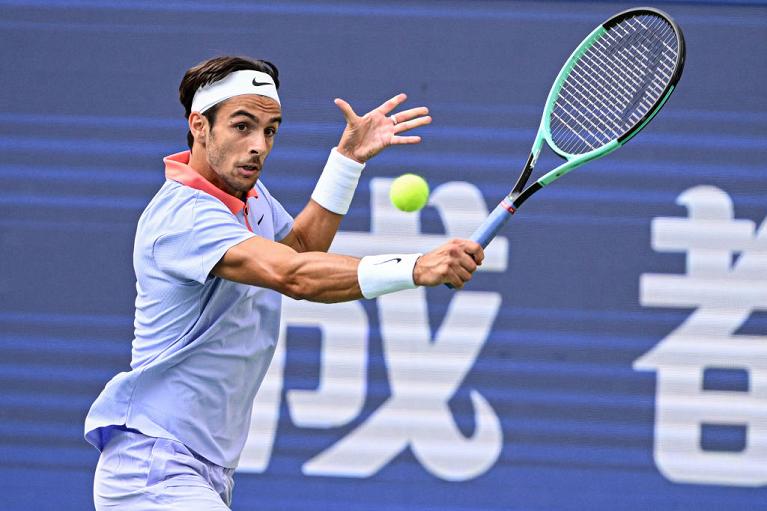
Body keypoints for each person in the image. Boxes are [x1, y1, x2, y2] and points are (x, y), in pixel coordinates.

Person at [84, 55, 484, 510]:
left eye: (270, 130)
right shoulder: (184, 216)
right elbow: (291, 276)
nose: (259, 146)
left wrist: (347, 160)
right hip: (154, 466)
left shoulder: (247, 199)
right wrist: (414, 268)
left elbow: (297, 250)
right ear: (199, 126)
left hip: (202, 469)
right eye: (242, 126)